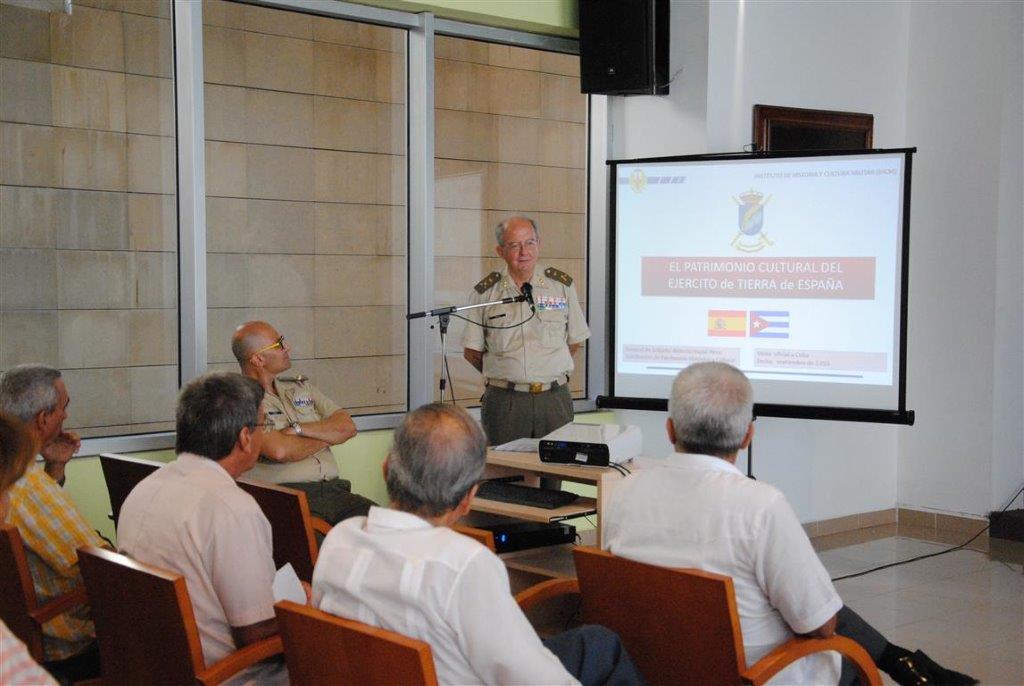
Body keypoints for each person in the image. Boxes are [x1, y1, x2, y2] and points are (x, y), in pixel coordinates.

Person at [603, 362, 977, 686]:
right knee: (842, 653)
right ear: (748, 436)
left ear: (670, 430)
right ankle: (901, 662)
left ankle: (900, 660)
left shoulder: (625, 491)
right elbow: (823, 626)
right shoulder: (761, 506)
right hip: (756, 675)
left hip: (650, 670)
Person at [313, 403, 645, 686]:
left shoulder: (340, 539)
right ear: (468, 498)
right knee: (601, 647)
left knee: (591, 642)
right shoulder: (463, 564)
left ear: (387, 470)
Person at [117, 372, 288, 684]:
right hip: (224, 675)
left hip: (155, 667)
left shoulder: (145, 488)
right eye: (265, 424)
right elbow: (254, 633)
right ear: (245, 437)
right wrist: (301, 611)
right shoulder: (231, 508)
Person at [0, 365, 105, 682]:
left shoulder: (14, 472)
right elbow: (91, 562)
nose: (66, 417)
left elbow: (37, 528)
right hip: (67, 644)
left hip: (22, 627)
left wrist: (55, 469)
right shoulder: (29, 484)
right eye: (64, 407)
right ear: (44, 418)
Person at [462, 216, 590, 446]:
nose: (524, 252)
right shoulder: (485, 293)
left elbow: (574, 341)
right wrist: (508, 372)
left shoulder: (561, 286)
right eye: (514, 245)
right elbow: (472, 351)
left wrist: (543, 369)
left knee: (554, 475)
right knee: (507, 476)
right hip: (506, 403)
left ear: (539, 244)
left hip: (554, 400)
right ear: (500, 251)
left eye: (530, 243)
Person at [231, 320, 375, 525]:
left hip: (336, 491)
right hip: (288, 499)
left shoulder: (299, 387)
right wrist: (329, 436)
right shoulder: (241, 400)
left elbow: (347, 427)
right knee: (322, 550)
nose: (287, 347)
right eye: (279, 344)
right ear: (258, 359)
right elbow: (280, 451)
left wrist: (299, 430)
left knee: (391, 531)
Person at [0, 413, 58, 686]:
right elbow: (76, 560)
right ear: (43, 417)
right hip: (58, 634)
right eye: (6, 491)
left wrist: (56, 470)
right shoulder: (5, 657)